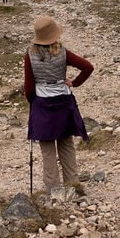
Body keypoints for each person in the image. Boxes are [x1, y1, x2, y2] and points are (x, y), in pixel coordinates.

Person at [23, 15, 93, 195]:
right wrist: (74, 83)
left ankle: (55, 193)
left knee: (47, 151)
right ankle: (73, 187)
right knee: (66, 145)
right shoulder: (63, 52)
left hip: (42, 104)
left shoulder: (30, 55)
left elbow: (29, 87)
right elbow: (88, 67)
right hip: (63, 102)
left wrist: (33, 102)